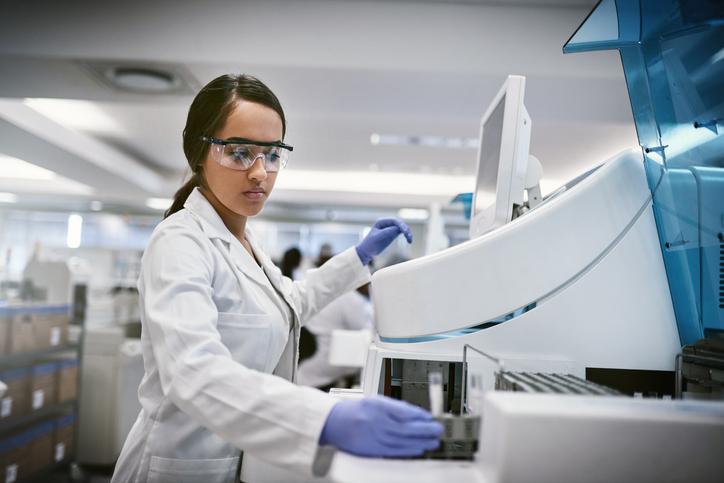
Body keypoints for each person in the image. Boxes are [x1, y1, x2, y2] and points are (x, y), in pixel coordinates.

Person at [111, 74, 442, 483]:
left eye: (272, 155)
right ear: (199, 153)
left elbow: (292, 302)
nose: (259, 173)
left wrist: (359, 256)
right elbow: (191, 371)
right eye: (239, 153)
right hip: (182, 464)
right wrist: (325, 420)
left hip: (239, 461)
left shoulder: (246, 243)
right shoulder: (180, 242)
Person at [297, 283, 373, 391]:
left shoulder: (334, 292)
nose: (369, 287)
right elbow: (369, 331)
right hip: (324, 363)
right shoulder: (349, 298)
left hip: (311, 366)